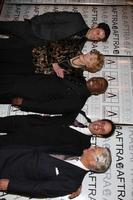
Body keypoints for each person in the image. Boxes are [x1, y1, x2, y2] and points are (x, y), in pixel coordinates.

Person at [0, 145, 112, 198]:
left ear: (93, 162)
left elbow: (38, 189)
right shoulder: (74, 152)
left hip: (9, 169)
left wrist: (10, 185)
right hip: (11, 152)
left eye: (95, 149)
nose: (92, 146)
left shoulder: (71, 183)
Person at [0, 114, 116, 156]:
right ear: (100, 120)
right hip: (28, 122)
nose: (99, 126)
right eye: (103, 123)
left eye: (102, 130)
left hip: (26, 141)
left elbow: (63, 158)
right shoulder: (79, 113)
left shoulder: (83, 147)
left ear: (100, 136)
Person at [0, 75, 108, 117]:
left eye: (100, 84)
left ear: (96, 93)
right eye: (98, 79)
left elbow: (50, 107)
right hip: (27, 77)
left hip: (27, 94)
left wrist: (24, 103)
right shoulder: (79, 76)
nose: (96, 81)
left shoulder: (77, 103)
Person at [0, 11, 111, 48]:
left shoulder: (79, 47)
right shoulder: (77, 18)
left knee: (5, 45)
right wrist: (34, 22)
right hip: (32, 29)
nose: (95, 37)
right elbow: (52, 17)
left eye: (98, 38)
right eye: (98, 33)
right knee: (3, 27)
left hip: (34, 45)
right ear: (95, 26)